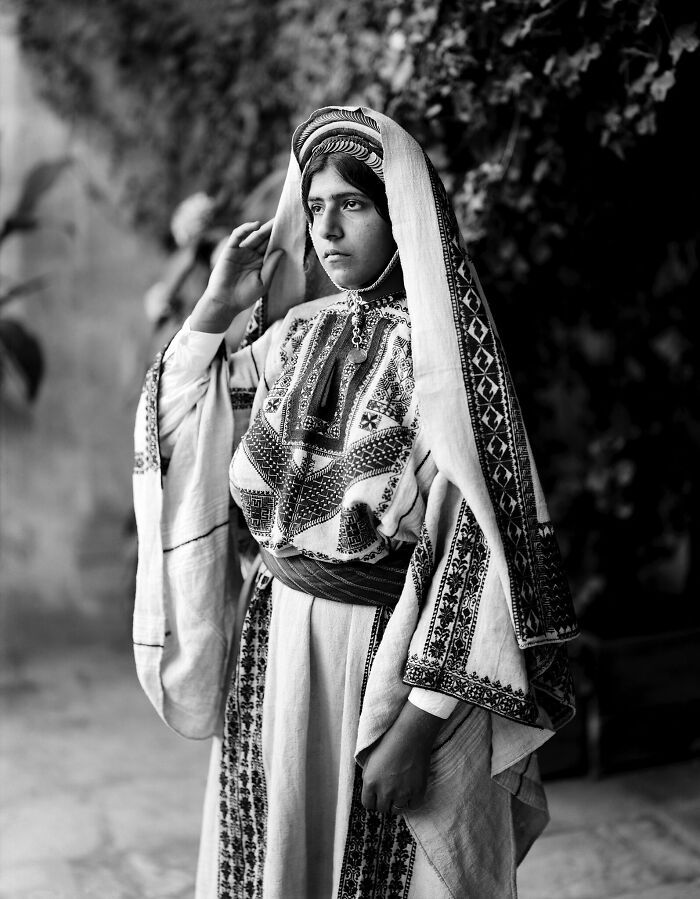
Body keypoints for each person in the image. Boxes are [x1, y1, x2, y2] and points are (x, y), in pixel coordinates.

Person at [132, 106, 578, 898]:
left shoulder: (447, 366)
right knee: (277, 855)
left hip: (382, 663)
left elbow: (480, 554)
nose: (329, 228)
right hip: (273, 653)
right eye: (314, 207)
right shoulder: (292, 336)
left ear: (400, 213)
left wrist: (417, 726)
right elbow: (178, 428)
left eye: (354, 204)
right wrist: (211, 310)